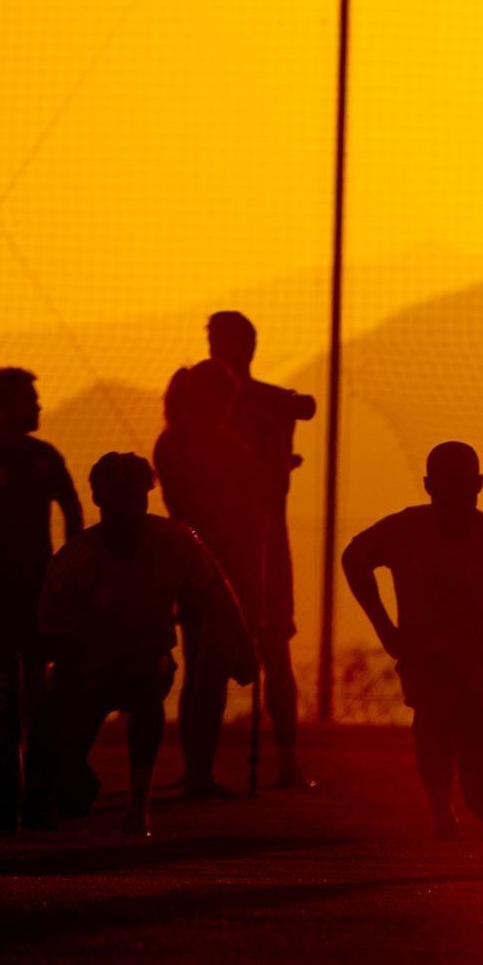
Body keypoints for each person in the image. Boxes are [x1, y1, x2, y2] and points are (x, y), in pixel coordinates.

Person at [23, 453, 254, 836]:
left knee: (146, 681)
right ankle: (66, 786)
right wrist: (74, 679)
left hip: (147, 662)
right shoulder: (74, 562)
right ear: (99, 499)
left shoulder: (176, 541)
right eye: (119, 498)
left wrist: (244, 644)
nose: (130, 508)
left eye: (137, 497)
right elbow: (52, 636)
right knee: (63, 792)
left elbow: (216, 589)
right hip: (87, 668)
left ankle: (138, 806)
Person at [343, 442, 483, 841]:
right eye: (445, 487)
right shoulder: (405, 530)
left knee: (482, 795)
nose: (453, 498)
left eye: (462, 487)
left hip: (482, 683)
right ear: (429, 486)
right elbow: (354, 558)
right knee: (431, 724)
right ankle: (441, 814)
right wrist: (385, 629)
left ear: (479, 485)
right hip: (426, 664)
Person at [154, 359, 276, 798]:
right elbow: (254, 498)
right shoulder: (215, 445)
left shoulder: (173, 441)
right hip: (223, 566)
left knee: (201, 671)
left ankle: (196, 769)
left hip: (188, 565)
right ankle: (199, 773)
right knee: (211, 671)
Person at [207, 311, 315, 788]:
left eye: (222, 343)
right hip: (217, 543)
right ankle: (200, 768)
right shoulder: (204, 404)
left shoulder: (271, 404)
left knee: (274, 650)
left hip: (267, 541)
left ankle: (287, 761)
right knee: (209, 651)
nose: (215, 352)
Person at [0, 368, 83, 736]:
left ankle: (29, 742)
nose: (39, 406)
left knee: (36, 663)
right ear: (4, 406)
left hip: (39, 583)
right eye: (30, 400)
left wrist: (68, 567)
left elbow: (72, 508)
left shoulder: (45, 456)